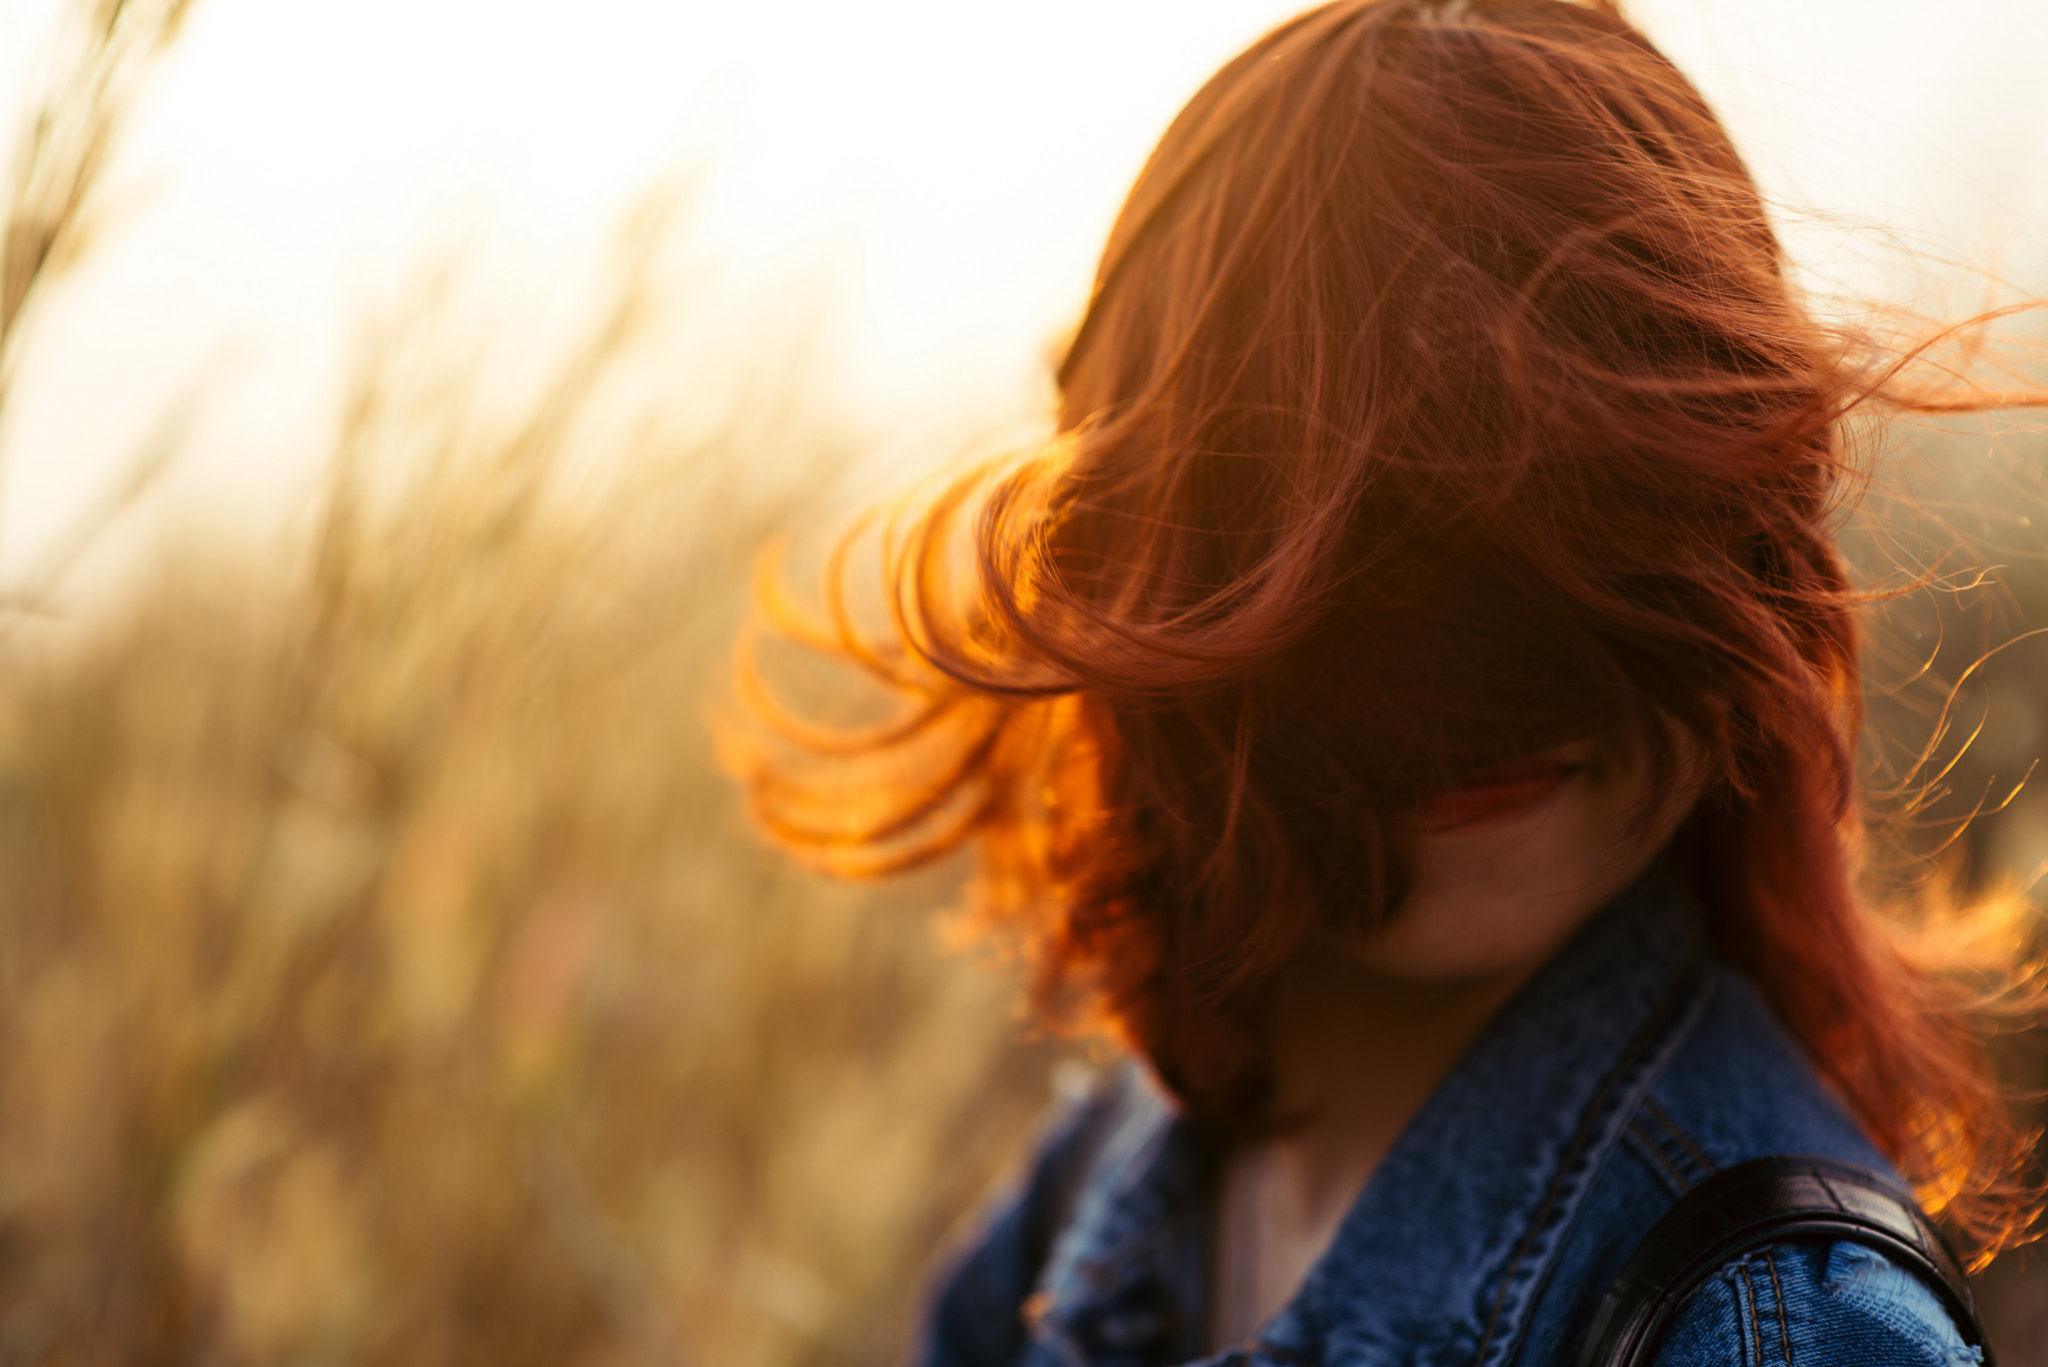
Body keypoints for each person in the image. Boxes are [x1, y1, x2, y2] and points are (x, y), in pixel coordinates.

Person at [727, 0, 2044, 1362]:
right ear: (1163, 602)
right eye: (1358, 574)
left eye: (1580, 539)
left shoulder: (1777, 1328)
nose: (1487, 704)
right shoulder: (1105, 1192)